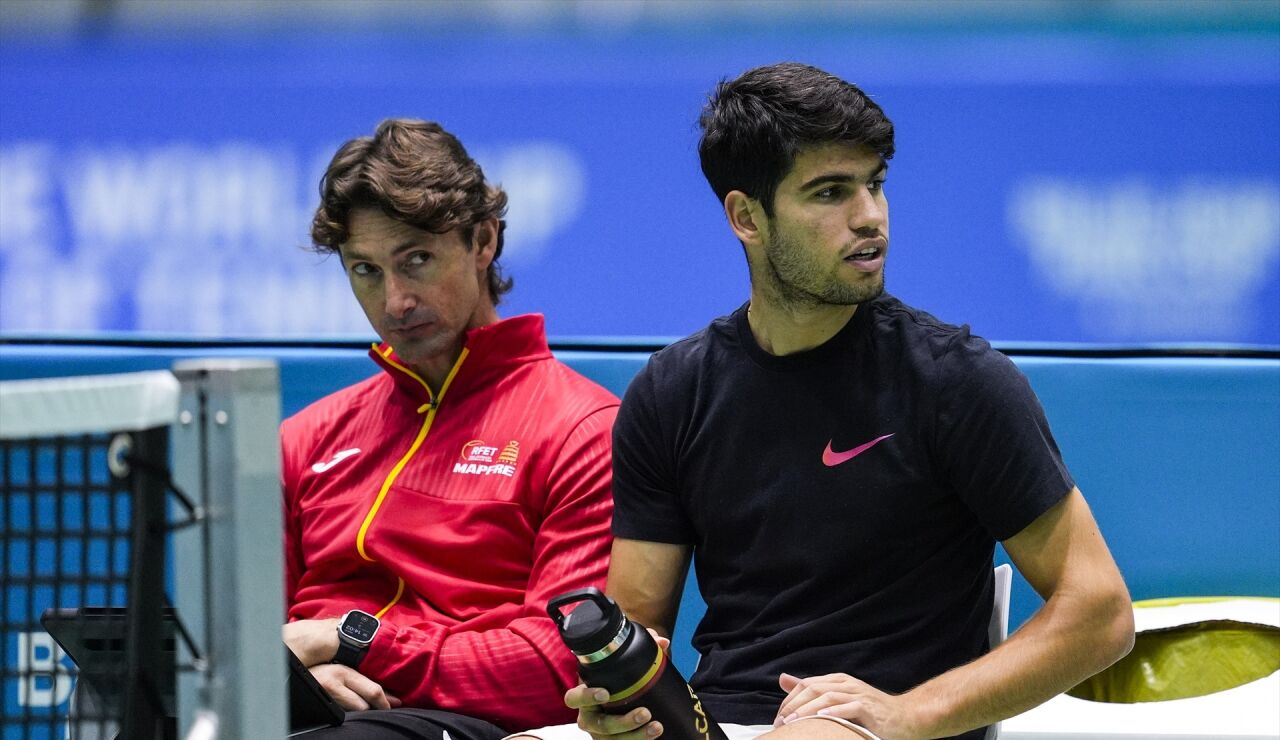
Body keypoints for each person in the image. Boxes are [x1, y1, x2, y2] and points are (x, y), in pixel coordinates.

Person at [523, 62, 1135, 740]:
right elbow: (641, 633)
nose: (869, 217)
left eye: (874, 185)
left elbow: (1100, 612)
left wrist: (909, 713)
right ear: (746, 217)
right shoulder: (671, 393)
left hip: (882, 724)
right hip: (717, 720)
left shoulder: (958, 382)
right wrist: (623, 708)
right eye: (830, 192)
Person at [281, 118, 620, 739]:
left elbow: (560, 671)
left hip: (462, 725)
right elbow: (242, 637)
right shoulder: (306, 439)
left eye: (416, 260)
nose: (395, 302)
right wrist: (294, 682)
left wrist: (353, 641)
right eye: (366, 271)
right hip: (315, 715)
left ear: (483, 241)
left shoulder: (582, 429)